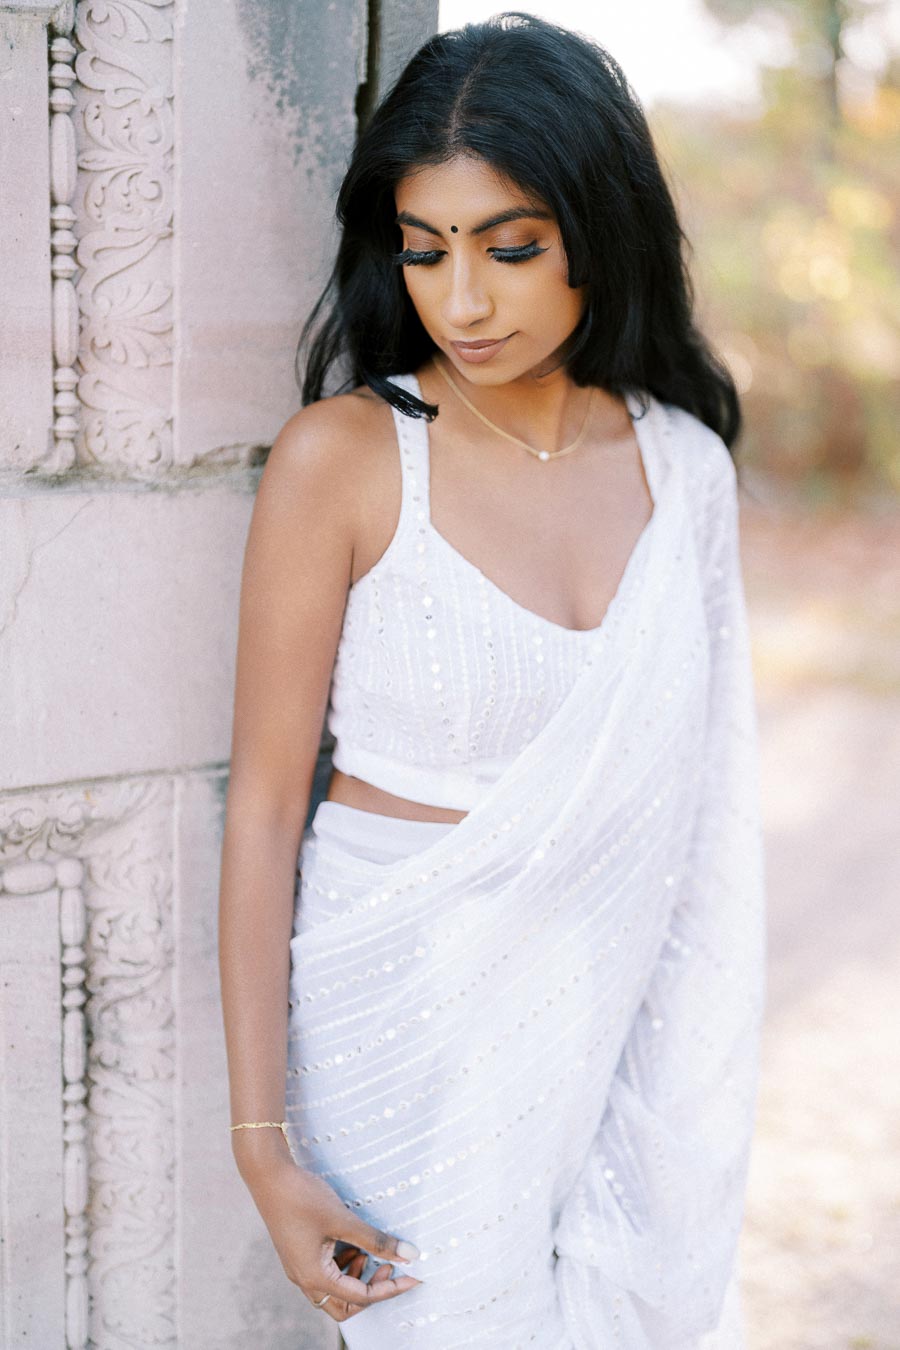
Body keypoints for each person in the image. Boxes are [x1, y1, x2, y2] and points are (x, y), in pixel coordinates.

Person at [218, 12, 766, 1349]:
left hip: (626, 1023)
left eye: (510, 248)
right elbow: (264, 808)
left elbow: (708, 815)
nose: (461, 300)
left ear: (599, 229)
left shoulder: (684, 466)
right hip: (406, 1032)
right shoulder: (344, 459)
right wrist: (261, 1147)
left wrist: (692, 1089)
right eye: (425, 249)